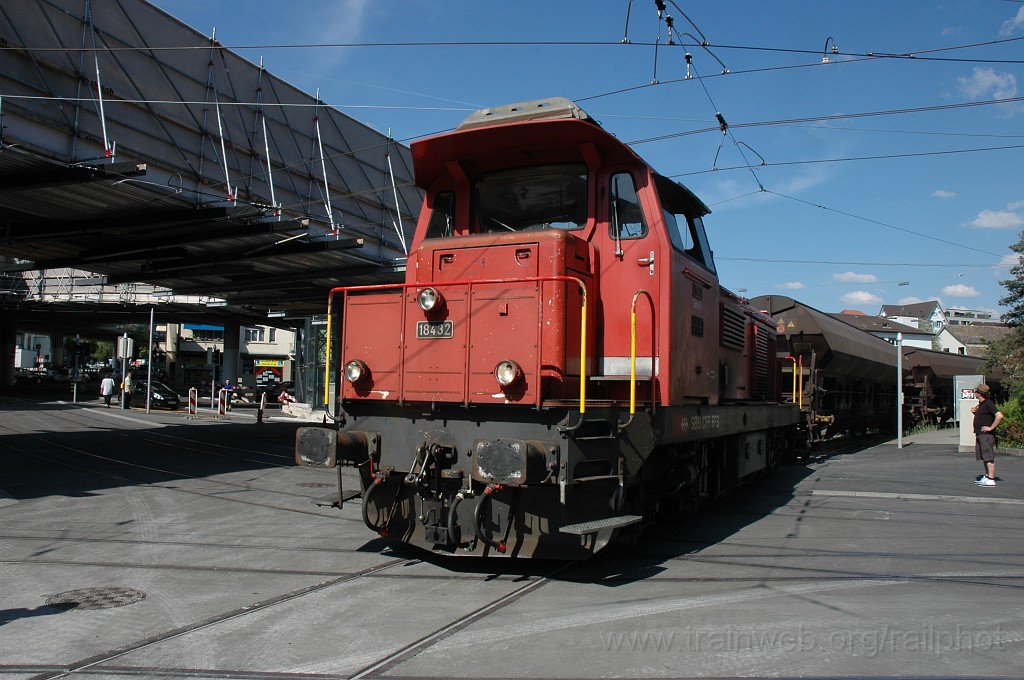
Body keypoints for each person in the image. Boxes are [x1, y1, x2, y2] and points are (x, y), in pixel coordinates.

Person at [971, 383, 1002, 487]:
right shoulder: (982, 404)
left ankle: (991, 479)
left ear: (979, 393)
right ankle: (988, 476)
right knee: (984, 457)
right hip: (980, 434)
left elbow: (999, 415)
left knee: (988, 457)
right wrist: (975, 413)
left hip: (986, 435)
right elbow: (984, 416)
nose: (975, 393)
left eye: (976, 392)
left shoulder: (988, 403)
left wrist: (991, 427)